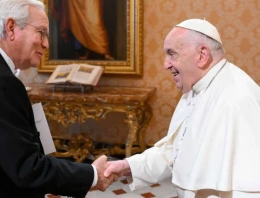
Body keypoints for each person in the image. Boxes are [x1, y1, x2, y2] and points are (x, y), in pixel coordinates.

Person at [0, 0, 115, 198]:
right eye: (42, 32)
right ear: (11, 28)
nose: (46, 44)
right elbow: (27, 168)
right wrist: (92, 175)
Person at [104, 18, 260, 197]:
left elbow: (247, 188)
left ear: (202, 56)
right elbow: (173, 152)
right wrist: (127, 166)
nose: (165, 64)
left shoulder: (235, 99)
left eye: (172, 54)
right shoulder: (195, 89)